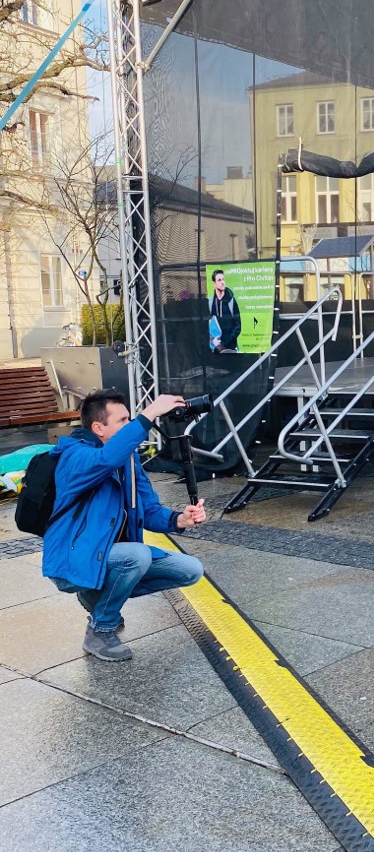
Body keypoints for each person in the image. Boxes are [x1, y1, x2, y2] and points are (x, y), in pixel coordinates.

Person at [43, 389, 207, 662]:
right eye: (123, 421)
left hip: (109, 557)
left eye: (130, 419)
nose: (131, 425)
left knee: (191, 570)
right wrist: (150, 413)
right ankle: (101, 629)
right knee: (137, 556)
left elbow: (150, 509)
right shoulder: (74, 456)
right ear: (98, 428)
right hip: (74, 562)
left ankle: (96, 598)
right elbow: (104, 460)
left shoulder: (128, 460)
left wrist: (180, 518)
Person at [209, 269, 241, 352]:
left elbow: (238, 326)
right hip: (216, 349)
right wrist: (213, 341)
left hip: (231, 348)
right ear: (214, 283)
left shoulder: (231, 301)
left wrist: (227, 342)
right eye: (219, 280)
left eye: (223, 279)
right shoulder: (210, 302)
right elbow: (207, 325)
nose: (222, 282)